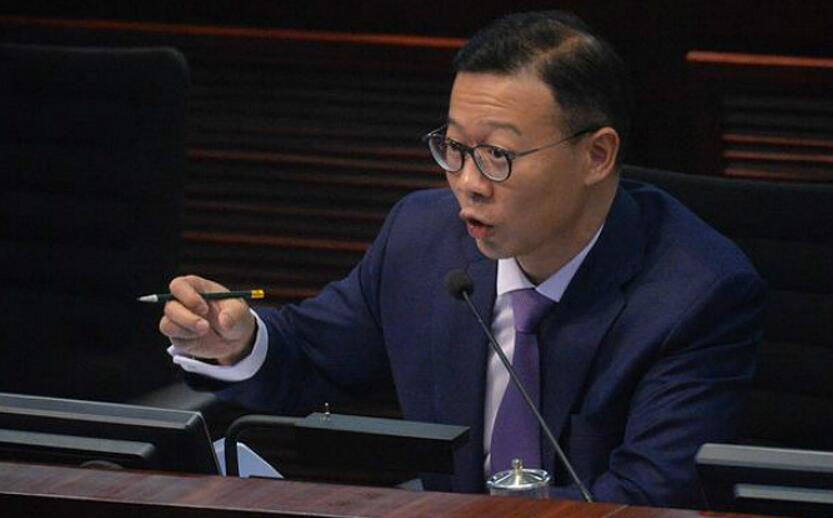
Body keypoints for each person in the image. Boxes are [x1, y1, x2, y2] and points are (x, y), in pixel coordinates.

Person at [159, 11, 765, 508]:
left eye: (498, 155)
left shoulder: (697, 295)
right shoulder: (423, 238)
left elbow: (648, 499)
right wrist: (237, 341)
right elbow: (315, 353)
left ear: (597, 156)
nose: (468, 184)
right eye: (453, 147)